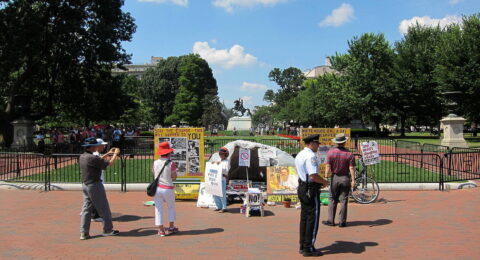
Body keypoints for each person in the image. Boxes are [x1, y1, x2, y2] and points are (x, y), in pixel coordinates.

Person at [79, 137, 120, 240]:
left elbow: (99, 160)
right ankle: (108, 230)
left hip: (86, 185)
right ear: (92, 147)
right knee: (104, 208)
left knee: (86, 209)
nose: (97, 146)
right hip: (94, 185)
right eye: (96, 145)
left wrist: (108, 153)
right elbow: (109, 163)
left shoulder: (83, 156)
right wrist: (115, 154)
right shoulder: (92, 158)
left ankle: (84, 232)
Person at [295, 134, 329, 257]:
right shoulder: (311, 156)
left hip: (302, 187)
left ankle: (303, 244)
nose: (318, 146)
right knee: (312, 218)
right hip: (310, 189)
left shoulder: (300, 154)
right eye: (317, 144)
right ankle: (308, 247)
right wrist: (325, 181)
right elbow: (313, 175)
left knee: (304, 217)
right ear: (312, 144)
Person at [323, 133, 356, 228]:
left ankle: (330, 220)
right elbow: (351, 168)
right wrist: (353, 180)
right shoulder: (349, 154)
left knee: (332, 199)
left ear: (336, 142)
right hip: (345, 178)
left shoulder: (331, 153)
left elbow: (328, 167)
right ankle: (342, 221)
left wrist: (325, 177)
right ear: (344, 142)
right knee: (344, 200)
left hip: (335, 178)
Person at [152, 141, 179, 237]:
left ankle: (161, 230)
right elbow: (174, 177)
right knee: (171, 207)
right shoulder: (171, 163)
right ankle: (171, 227)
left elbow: (153, 173)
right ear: (169, 152)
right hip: (168, 188)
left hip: (157, 188)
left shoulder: (155, 162)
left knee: (158, 209)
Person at [90, 138, 109, 222]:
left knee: (91, 198)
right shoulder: (95, 154)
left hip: (95, 179)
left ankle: (88, 213)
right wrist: (115, 154)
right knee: (97, 198)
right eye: (102, 145)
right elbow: (106, 163)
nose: (104, 146)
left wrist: (108, 153)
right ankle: (95, 216)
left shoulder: (95, 154)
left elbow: (100, 158)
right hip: (96, 180)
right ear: (97, 146)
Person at [212, 147, 230, 213]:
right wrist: (213, 164)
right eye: (220, 154)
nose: (221, 155)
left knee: (222, 193)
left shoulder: (227, 162)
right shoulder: (218, 160)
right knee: (215, 193)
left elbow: (226, 170)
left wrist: (219, 166)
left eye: (222, 154)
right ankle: (218, 206)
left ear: (225, 155)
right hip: (216, 178)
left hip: (222, 178)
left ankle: (224, 207)